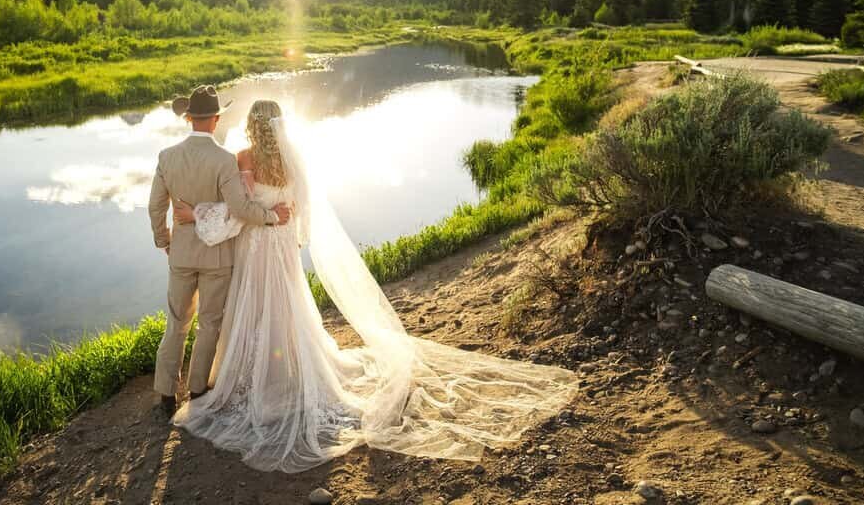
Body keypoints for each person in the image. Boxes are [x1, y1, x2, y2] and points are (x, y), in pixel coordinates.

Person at [168, 98, 578, 473]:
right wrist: (284, 219)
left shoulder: (244, 157)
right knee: (288, 305)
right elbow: (297, 207)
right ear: (279, 126)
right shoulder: (293, 162)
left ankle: (260, 375)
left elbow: (241, 212)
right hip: (282, 248)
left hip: (258, 245)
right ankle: (287, 370)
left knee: (255, 306)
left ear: (252, 128)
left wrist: (197, 214)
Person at [147, 85, 291, 419]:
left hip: (180, 254)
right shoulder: (225, 159)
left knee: (176, 324)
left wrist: (164, 241)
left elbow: (155, 207)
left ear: (188, 119)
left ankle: (166, 395)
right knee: (209, 323)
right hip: (217, 258)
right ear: (214, 120)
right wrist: (271, 217)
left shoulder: (166, 157)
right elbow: (240, 208)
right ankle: (198, 391)